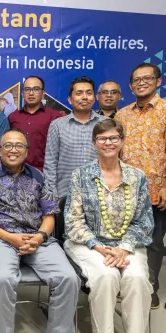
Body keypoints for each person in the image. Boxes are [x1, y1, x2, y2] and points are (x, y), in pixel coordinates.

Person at [0, 128, 80, 333]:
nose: (13, 150)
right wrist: (10, 238)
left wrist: (39, 237)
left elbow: (50, 216)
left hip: (37, 238)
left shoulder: (39, 176)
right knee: (3, 279)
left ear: (26, 151)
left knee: (69, 279)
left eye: (19, 146)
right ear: (0, 149)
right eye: (8, 145)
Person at [64, 119, 154, 333]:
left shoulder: (137, 177)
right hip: (87, 244)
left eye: (114, 138)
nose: (108, 143)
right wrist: (97, 246)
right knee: (106, 276)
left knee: (137, 279)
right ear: (94, 143)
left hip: (127, 245)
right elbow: (73, 221)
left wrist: (123, 248)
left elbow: (144, 220)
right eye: (102, 138)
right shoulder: (81, 175)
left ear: (122, 141)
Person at [114, 63, 166, 309]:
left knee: (154, 242)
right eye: (136, 80)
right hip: (124, 191)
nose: (141, 83)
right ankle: (122, 285)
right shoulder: (122, 114)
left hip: (156, 190)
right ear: (130, 86)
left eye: (147, 78)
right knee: (122, 239)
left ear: (159, 81)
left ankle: (150, 288)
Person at [44, 76, 105, 237]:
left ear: (95, 97)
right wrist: (52, 197)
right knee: (64, 241)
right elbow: (50, 163)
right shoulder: (58, 125)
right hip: (64, 196)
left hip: (99, 196)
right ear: (70, 99)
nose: (84, 97)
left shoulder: (105, 125)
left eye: (88, 93)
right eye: (79, 93)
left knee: (96, 241)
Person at [8, 76, 64, 171]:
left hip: (44, 172)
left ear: (43, 93)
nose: (31, 93)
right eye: (27, 89)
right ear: (22, 93)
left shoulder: (55, 117)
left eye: (36, 89)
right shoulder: (13, 117)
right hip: (16, 171)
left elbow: (61, 148)